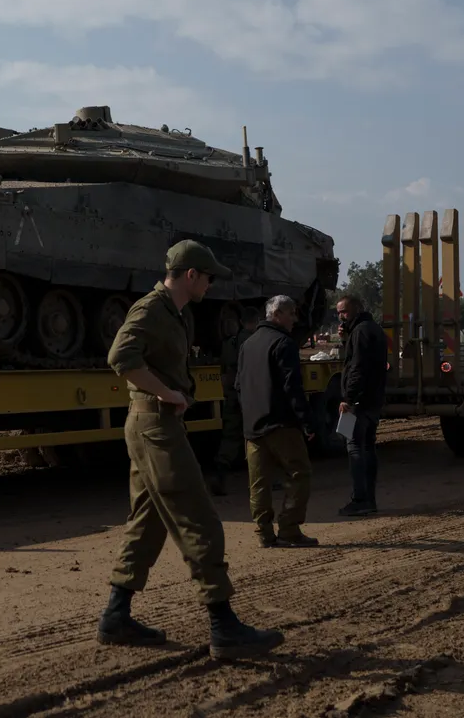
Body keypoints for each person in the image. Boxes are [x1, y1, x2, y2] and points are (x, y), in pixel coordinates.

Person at [97, 239, 285, 660]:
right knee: (199, 518)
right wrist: (168, 393)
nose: (211, 284)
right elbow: (120, 356)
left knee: (146, 523)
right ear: (190, 276)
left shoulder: (174, 313)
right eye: (208, 276)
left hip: (153, 424)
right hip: (156, 426)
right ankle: (224, 626)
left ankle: (116, 616)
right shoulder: (150, 309)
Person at [236, 295, 318, 547]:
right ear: (278, 314)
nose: (295, 319)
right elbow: (292, 388)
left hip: (253, 426)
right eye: (292, 313)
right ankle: (289, 529)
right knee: (299, 473)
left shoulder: (247, 345)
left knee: (258, 483)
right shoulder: (284, 343)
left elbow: (238, 385)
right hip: (281, 424)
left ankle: (263, 534)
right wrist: (306, 422)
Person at [334, 294, 387, 516]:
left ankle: (360, 499)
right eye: (338, 313)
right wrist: (346, 339)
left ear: (356, 308)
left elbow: (356, 367)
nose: (341, 316)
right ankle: (369, 498)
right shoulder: (372, 329)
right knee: (366, 446)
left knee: (354, 446)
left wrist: (348, 398)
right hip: (373, 399)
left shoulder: (361, 331)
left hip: (357, 402)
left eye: (344, 311)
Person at [207, 306, 260, 497]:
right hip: (250, 396)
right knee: (257, 437)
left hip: (232, 394)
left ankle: (220, 474)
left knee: (230, 436)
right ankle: (262, 479)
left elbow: (223, 372)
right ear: (257, 322)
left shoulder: (230, 342)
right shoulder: (255, 341)